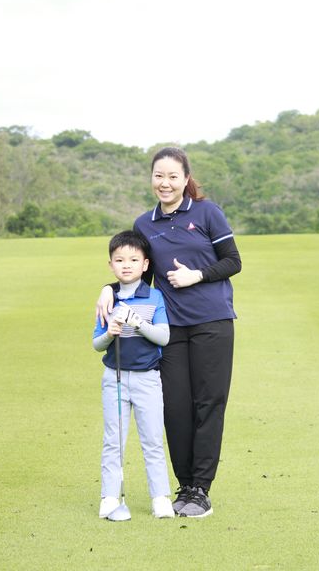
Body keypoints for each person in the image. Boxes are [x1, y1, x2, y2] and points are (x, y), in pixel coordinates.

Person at [96, 147, 242, 518]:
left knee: (208, 404)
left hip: (212, 323)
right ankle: (184, 486)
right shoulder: (145, 224)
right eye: (158, 176)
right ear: (152, 179)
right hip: (170, 328)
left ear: (185, 179)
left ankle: (200, 490)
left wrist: (197, 275)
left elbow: (233, 262)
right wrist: (106, 290)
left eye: (173, 176)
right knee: (175, 407)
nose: (165, 183)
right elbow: (135, 273)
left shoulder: (208, 213)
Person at [93, 230, 175, 519]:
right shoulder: (107, 299)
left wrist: (137, 322)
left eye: (133, 259)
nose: (126, 265)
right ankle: (110, 498)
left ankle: (160, 497)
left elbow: (163, 337)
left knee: (152, 438)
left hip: (147, 379)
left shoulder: (155, 297)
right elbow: (96, 343)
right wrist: (110, 332)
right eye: (119, 260)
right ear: (111, 265)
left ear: (145, 264)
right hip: (114, 378)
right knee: (113, 440)